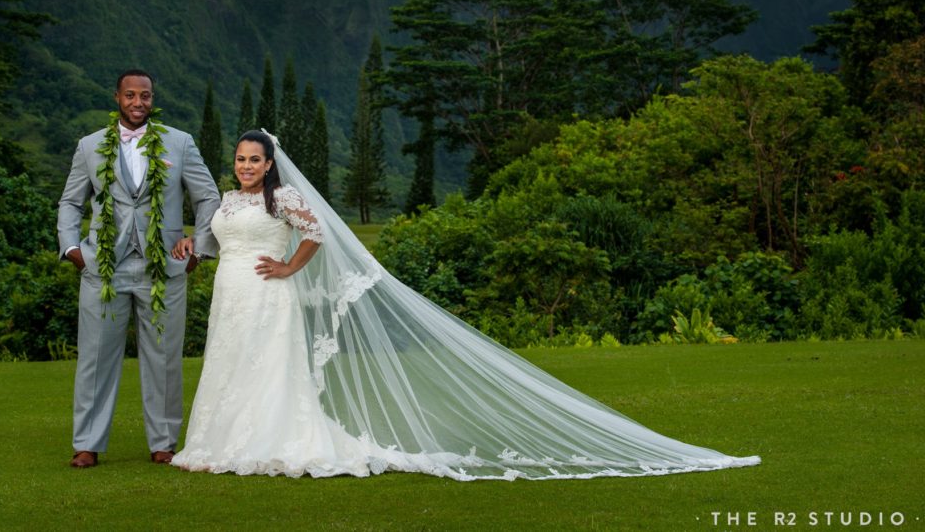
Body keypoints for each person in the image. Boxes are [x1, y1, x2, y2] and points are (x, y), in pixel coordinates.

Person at [171, 130, 760, 480]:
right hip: (231, 296)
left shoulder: (287, 196)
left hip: (270, 294)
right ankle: (218, 444)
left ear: (270, 163)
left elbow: (317, 236)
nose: (246, 166)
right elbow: (220, 240)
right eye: (241, 159)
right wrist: (193, 242)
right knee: (228, 364)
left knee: (269, 370)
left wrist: (289, 268)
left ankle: (270, 442)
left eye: (254, 159)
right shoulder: (226, 199)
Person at [57, 69, 221, 469]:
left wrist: (198, 250)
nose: (137, 103)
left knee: (164, 357)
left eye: (144, 96)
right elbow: (70, 202)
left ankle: (163, 442)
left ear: (152, 98)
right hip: (103, 269)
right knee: (95, 358)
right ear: (117, 97)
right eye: (130, 95)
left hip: (165, 269)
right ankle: (87, 444)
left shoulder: (179, 143)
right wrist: (74, 249)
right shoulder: (90, 146)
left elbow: (208, 197)